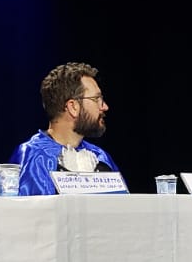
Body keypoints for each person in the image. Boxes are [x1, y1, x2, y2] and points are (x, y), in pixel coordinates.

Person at [10, 62, 118, 196]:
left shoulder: (100, 156)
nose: (105, 107)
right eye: (97, 99)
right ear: (73, 107)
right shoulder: (34, 156)